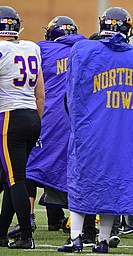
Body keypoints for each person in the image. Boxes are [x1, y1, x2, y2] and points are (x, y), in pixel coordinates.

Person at [58, 6, 133, 253]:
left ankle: (76, 238)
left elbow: (71, 94)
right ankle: (102, 241)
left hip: (91, 134)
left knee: (82, 180)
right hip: (127, 137)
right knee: (112, 187)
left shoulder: (82, 52)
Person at [21, 15, 97, 246]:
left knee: (31, 165)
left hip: (49, 117)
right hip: (82, 121)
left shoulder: (42, 50)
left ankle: (29, 217)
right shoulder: (87, 50)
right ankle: (89, 229)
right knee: (80, 171)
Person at [0, 6, 45, 249]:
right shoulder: (32, 48)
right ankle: (1, 232)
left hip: (9, 116)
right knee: (10, 177)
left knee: (15, 178)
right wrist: (37, 122)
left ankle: (26, 236)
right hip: (31, 117)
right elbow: (40, 94)